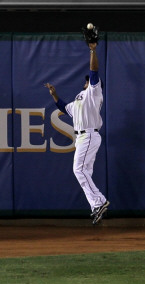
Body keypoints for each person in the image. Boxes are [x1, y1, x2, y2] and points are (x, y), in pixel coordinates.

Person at [44, 42, 110, 225]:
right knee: (85, 172)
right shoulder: (79, 99)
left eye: (88, 79)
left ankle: (100, 201)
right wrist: (54, 94)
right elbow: (64, 108)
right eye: (87, 80)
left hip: (89, 135)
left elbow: (94, 70)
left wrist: (92, 50)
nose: (87, 80)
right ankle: (96, 206)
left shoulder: (94, 92)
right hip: (83, 137)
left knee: (78, 169)